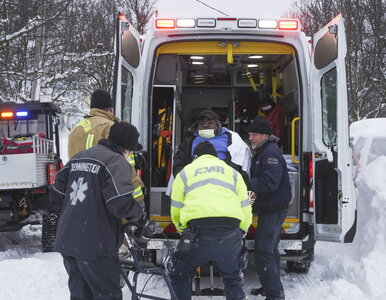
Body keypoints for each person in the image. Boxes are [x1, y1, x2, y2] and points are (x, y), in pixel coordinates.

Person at [49, 122, 145, 300]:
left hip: (68, 240)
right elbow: (120, 203)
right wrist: (139, 215)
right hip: (95, 245)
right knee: (107, 295)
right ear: (125, 148)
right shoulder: (115, 162)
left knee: (81, 295)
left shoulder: (79, 157)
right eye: (131, 151)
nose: (130, 155)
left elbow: (55, 196)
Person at [168, 141, 252, 300]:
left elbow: (176, 207)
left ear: (195, 157)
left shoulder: (185, 172)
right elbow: (245, 206)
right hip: (230, 232)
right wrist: (242, 230)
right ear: (215, 156)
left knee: (179, 274)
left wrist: (181, 228)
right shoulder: (233, 173)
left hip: (198, 234)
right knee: (233, 277)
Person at [68, 89, 144, 202]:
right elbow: (125, 167)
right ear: (111, 110)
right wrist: (138, 200)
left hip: (79, 194)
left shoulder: (76, 130)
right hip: (105, 196)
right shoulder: (111, 127)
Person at [248, 116, 291, 300]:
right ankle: (270, 287)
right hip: (269, 209)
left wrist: (246, 183)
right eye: (250, 134)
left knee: (264, 252)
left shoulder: (270, 154)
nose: (250, 138)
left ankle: (275, 295)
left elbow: (270, 182)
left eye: (254, 134)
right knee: (271, 251)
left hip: (274, 210)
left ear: (265, 135)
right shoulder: (263, 151)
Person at [173, 109, 251, 185]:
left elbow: (240, 161)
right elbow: (178, 165)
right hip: (196, 182)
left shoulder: (231, 138)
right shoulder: (189, 141)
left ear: (217, 124)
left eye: (210, 123)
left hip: (224, 181)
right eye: (202, 123)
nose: (206, 125)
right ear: (197, 126)